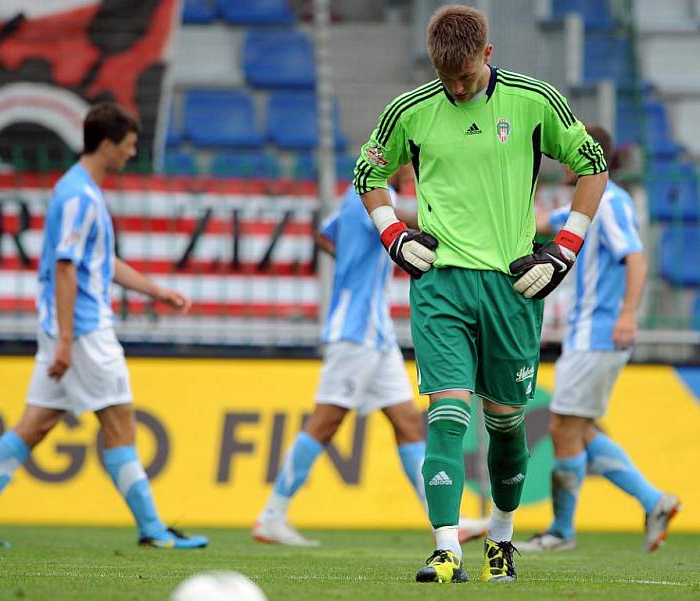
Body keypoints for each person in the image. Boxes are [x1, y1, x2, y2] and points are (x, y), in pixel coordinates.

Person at [353, 4, 608, 584]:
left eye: (466, 75)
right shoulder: (410, 111)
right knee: (444, 416)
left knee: (506, 425)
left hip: (513, 288)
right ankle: (446, 549)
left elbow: (594, 168)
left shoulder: (534, 101)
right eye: (447, 77)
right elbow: (365, 173)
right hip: (441, 284)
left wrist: (565, 248)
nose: (457, 86)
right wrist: (392, 232)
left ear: (487, 55)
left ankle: (500, 538)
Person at [0, 102, 208, 550]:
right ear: (106, 144)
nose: (130, 154)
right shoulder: (79, 197)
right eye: (127, 146)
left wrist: (157, 292)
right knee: (120, 422)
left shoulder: (78, 191)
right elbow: (66, 269)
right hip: (83, 331)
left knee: (37, 422)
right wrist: (68, 341)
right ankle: (153, 530)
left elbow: (99, 263)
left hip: (65, 329)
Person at [252, 165, 489, 547]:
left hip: (376, 332)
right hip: (355, 328)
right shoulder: (376, 194)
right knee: (326, 421)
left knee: (408, 424)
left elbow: (325, 235)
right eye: (410, 157)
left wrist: (356, 260)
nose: (415, 164)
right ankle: (271, 516)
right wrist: (452, 215)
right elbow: (405, 223)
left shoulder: (353, 195)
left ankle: (446, 522)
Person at [517, 125, 681, 553]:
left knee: (562, 427)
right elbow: (536, 224)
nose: (563, 160)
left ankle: (561, 531)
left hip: (600, 333)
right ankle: (653, 501)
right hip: (586, 335)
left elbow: (636, 259)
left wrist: (628, 315)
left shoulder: (610, 202)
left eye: (568, 152)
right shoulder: (586, 204)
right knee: (580, 429)